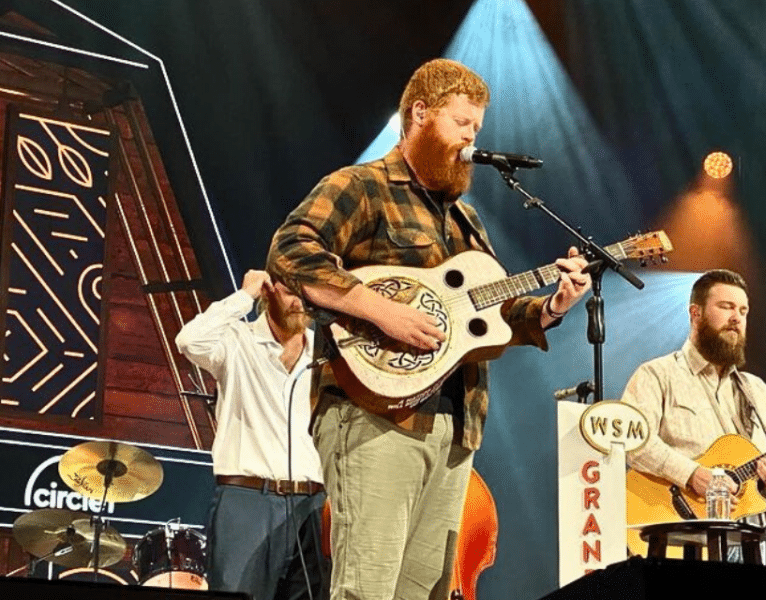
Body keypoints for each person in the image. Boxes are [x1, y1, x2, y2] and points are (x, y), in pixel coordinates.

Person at [266, 58, 591, 600]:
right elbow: (290, 251)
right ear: (420, 112)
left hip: (456, 428)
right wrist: (380, 309)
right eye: (462, 124)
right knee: (366, 589)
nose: (471, 139)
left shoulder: (467, 219)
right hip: (373, 415)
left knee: (426, 593)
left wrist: (553, 306)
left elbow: (490, 321)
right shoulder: (362, 186)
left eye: (477, 130)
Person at [176, 269, 328, 600]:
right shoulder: (237, 340)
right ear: (269, 293)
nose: (298, 303)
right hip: (248, 502)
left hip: (314, 503)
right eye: (290, 292)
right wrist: (243, 296)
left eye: (306, 294)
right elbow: (188, 340)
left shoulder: (326, 353)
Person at [620, 269, 766, 551]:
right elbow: (632, 442)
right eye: (726, 307)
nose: (736, 318)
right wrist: (692, 475)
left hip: (747, 537)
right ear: (695, 313)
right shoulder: (656, 374)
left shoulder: (757, 391)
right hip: (677, 532)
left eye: (743, 310)